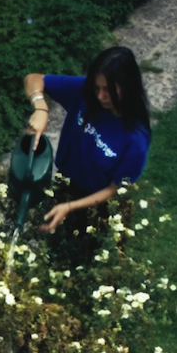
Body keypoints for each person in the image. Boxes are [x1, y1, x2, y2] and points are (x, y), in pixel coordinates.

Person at [25, 46, 152, 234]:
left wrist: (71, 207)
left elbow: (114, 189)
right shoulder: (85, 92)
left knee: (84, 256)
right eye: (97, 87)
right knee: (55, 246)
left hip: (100, 206)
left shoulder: (136, 138)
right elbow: (33, 79)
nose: (100, 96)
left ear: (128, 86)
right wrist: (40, 107)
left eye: (108, 90)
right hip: (65, 184)